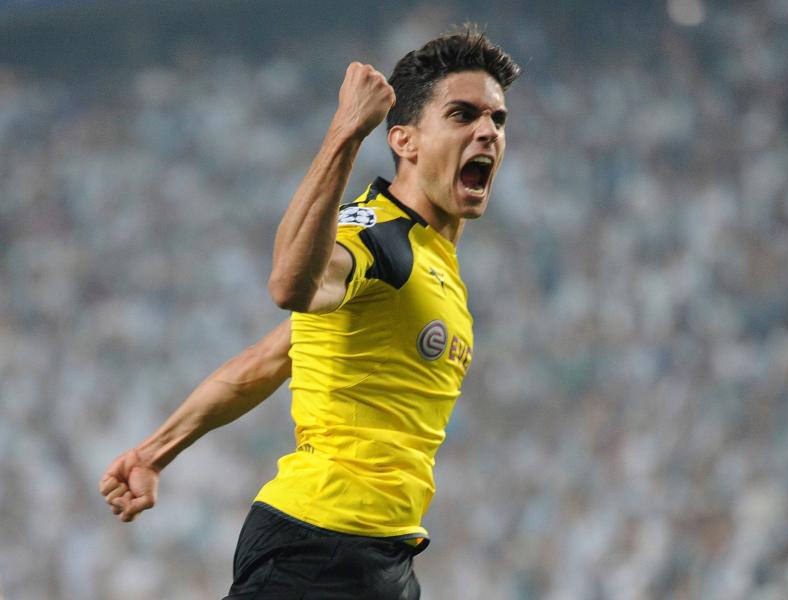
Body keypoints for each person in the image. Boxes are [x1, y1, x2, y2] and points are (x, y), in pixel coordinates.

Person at [99, 27, 520, 599]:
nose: (487, 131)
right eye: (462, 114)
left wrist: (153, 452)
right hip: (318, 545)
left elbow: (266, 361)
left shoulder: (431, 259)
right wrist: (346, 131)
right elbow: (290, 285)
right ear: (405, 140)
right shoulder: (377, 235)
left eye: (497, 119)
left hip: (384, 558)